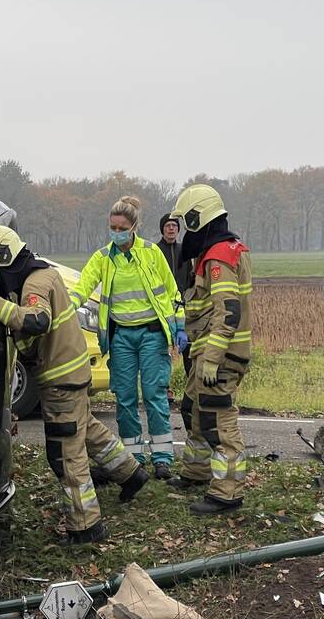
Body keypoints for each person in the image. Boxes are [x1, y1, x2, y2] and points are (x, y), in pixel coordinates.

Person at [0, 226, 148, 545]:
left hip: (60, 379)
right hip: (71, 373)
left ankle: (85, 526)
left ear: (4, 255)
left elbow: (37, 320)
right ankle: (130, 473)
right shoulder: (36, 277)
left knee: (66, 453)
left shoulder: (35, 282)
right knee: (88, 429)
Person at [69, 197, 187, 480]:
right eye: (112, 227)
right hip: (121, 337)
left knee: (154, 396)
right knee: (124, 399)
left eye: (121, 227)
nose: (116, 232)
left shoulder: (151, 253)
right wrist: (64, 308)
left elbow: (172, 293)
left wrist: (179, 328)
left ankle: (162, 459)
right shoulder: (102, 258)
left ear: (134, 226)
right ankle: (132, 459)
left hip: (152, 335)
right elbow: (82, 286)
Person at [167, 184, 252, 516]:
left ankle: (227, 494)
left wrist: (213, 357)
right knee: (194, 408)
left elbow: (228, 310)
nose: (187, 229)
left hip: (220, 357)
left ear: (197, 217)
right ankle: (197, 471)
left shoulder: (218, 256)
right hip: (204, 354)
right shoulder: (224, 249)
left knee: (219, 422)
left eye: (188, 221)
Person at [158, 213, 194, 379]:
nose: (171, 228)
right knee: (161, 350)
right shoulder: (155, 251)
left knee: (187, 348)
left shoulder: (184, 251)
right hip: (161, 308)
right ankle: (164, 387)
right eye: (167, 226)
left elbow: (190, 279)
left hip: (182, 307)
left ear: (178, 229)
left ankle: (190, 386)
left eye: (174, 226)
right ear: (162, 230)